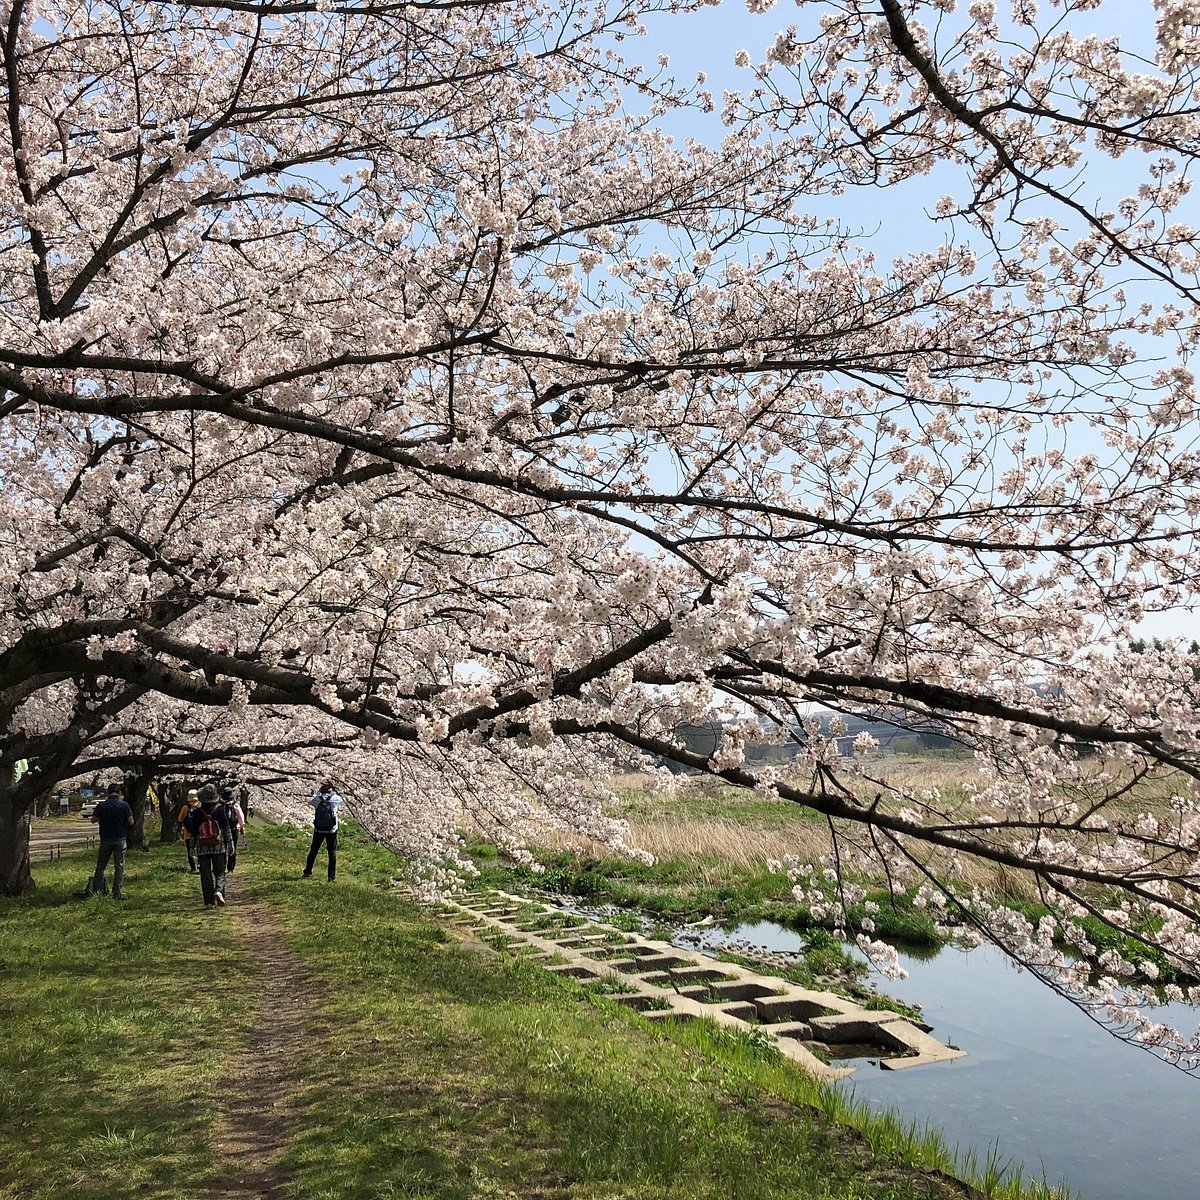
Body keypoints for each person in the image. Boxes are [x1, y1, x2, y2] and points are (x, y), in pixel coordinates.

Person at [185, 785, 232, 908]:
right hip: (219, 846)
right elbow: (226, 829)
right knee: (220, 872)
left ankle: (209, 902)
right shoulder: (220, 809)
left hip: (202, 847)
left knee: (205, 875)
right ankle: (218, 890)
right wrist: (230, 844)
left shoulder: (197, 812)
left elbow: (194, 832)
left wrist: (192, 848)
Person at [89, 783, 133, 899]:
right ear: (118, 792)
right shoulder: (124, 805)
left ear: (108, 792)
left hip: (106, 839)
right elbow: (131, 822)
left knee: (100, 867)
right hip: (120, 839)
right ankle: (117, 893)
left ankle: (97, 891)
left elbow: (93, 820)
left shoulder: (102, 805)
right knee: (119, 867)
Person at [302, 781, 343, 882]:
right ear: (330, 790)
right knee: (332, 852)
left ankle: (307, 871)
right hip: (331, 830)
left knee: (313, 850)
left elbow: (310, 800)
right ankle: (331, 877)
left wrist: (317, 792)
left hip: (319, 829)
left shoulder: (316, 800)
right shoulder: (335, 799)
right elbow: (342, 798)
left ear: (321, 790)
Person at [220, 786, 245, 873]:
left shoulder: (220, 806)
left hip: (223, 829)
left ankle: (222, 865)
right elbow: (241, 818)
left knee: (223, 848)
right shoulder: (235, 805)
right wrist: (241, 827)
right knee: (233, 847)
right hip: (233, 829)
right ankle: (231, 867)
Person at [176, 789, 201, 872]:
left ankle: (193, 868)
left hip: (188, 833)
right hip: (200, 833)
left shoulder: (186, 807)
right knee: (199, 849)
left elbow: (180, 819)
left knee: (190, 850)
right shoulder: (200, 806)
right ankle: (201, 865)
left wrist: (180, 830)